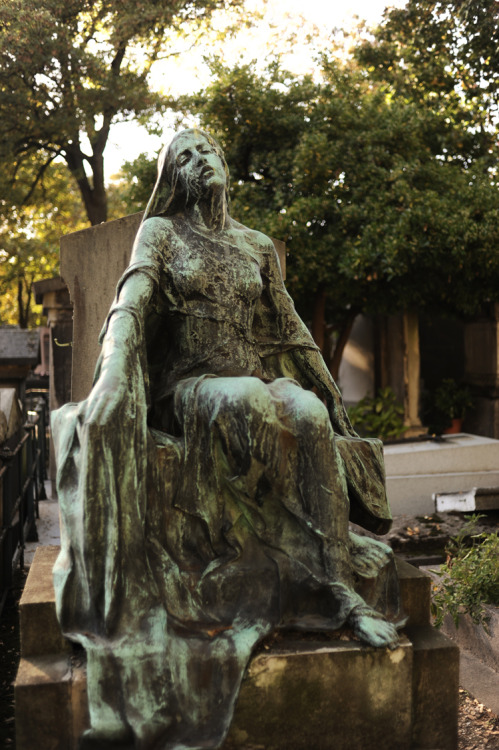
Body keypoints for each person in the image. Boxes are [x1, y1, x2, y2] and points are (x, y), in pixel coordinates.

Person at [52, 128, 403, 750]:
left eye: (207, 149)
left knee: (306, 415)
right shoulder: (161, 234)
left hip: (258, 379)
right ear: (174, 177)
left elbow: (292, 333)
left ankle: (339, 591)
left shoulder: (256, 245)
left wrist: (335, 405)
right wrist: (111, 377)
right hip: (191, 388)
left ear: (223, 164)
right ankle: (302, 569)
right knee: (243, 399)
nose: (200, 159)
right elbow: (131, 306)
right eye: (183, 156)